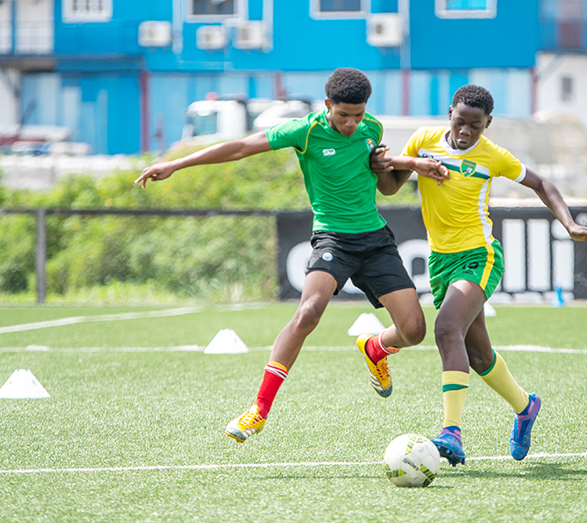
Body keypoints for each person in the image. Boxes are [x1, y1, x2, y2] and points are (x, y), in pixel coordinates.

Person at [135, 68, 447, 444]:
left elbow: (386, 187)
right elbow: (241, 147)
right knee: (308, 311)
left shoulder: (372, 129)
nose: (351, 124)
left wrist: (395, 165)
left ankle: (374, 347)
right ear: (328, 105)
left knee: (414, 331)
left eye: (358, 115)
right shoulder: (305, 130)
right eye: (343, 115)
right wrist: (175, 164)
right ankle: (258, 411)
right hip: (333, 239)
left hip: (376, 239)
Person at [370, 85, 587, 466]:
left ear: (488, 124)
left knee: (447, 329)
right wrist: (384, 165)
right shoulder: (423, 141)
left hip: (479, 256)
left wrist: (570, 225)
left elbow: (542, 183)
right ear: (450, 113)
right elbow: (391, 186)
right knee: (479, 355)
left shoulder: (493, 156)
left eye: (475, 126)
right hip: (440, 261)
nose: (466, 132)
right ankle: (525, 406)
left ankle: (451, 431)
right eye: (460, 122)